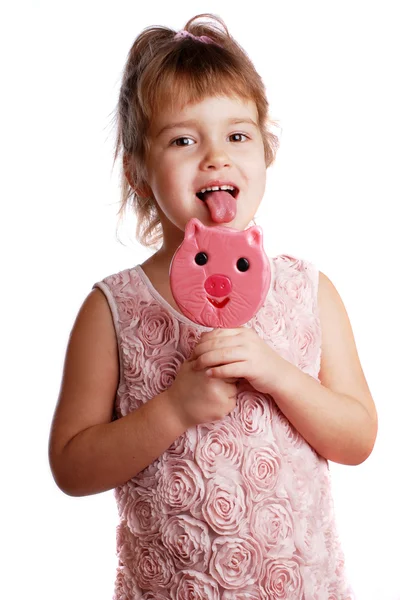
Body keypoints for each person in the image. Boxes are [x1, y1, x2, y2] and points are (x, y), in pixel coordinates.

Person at [48, 13, 378, 599]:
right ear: (139, 173)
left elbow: (357, 438)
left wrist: (279, 375)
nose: (216, 157)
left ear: (265, 154)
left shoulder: (309, 291)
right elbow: (71, 466)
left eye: (237, 135)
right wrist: (174, 408)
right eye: (182, 139)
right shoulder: (113, 309)